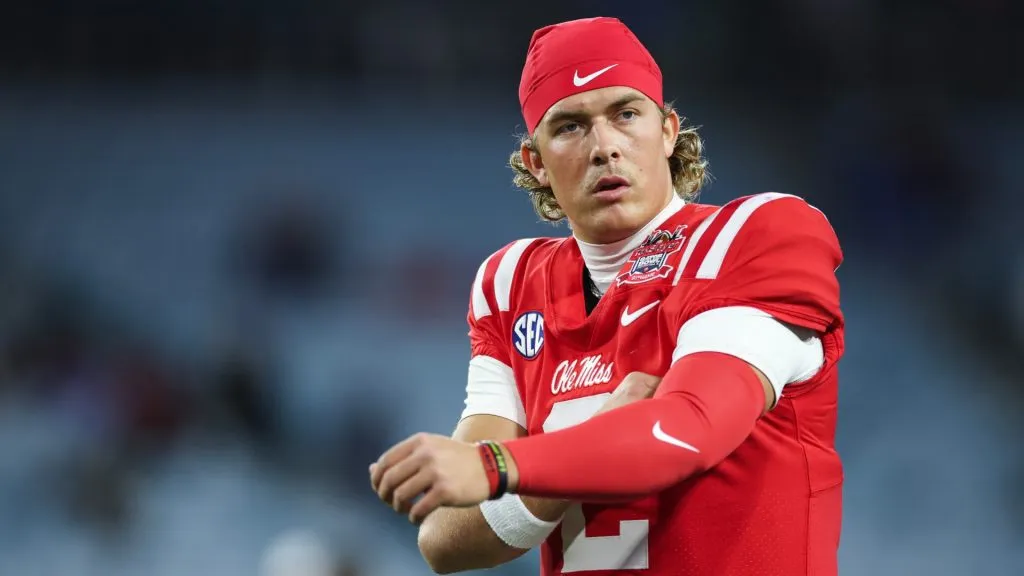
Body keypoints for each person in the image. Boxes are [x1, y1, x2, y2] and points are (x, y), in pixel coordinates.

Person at [370, 16, 845, 576]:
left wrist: (500, 466)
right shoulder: (511, 283)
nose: (604, 148)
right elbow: (447, 539)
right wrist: (573, 445)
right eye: (570, 127)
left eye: (625, 114)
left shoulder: (757, 235)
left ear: (668, 131)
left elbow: (686, 431)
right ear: (536, 163)